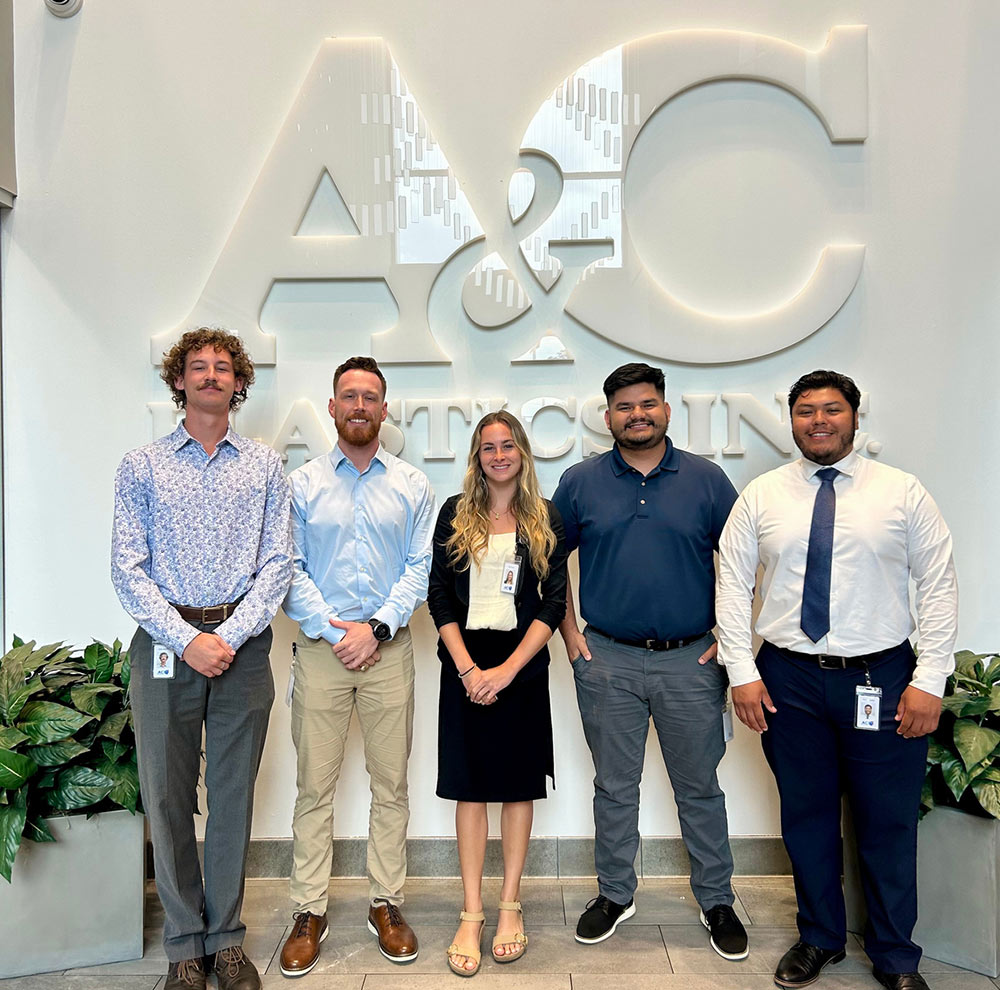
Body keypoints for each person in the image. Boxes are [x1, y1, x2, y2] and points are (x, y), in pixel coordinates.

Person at [716, 369, 958, 990]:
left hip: (883, 675)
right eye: (804, 411)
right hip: (789, 679)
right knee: (807, 816)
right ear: (790, 419)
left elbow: (938, 586)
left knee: (887, 820)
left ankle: (897, 955)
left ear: (855, 416)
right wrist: (741, 671)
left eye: (831, 409)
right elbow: (732, 585)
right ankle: (820, 937)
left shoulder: (902, 492)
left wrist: (930, 678)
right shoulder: (763, 495)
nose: (817, 421)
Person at [112, 328, 292, 990]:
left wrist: (230, 636)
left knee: (233, 794)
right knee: (166, 794)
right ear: (179, 382)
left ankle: (227, 942)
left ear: (239, 383)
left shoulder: (266, 465)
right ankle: (185, 945)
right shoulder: (141, 466)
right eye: (199, 367)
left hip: (241, 649)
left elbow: (278, 563)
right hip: (164, 646)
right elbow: (127, 568)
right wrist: (186, 639)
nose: (211, 375)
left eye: (223, 367)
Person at [551, 362, 748, 960]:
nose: (637, 415)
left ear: (666, 410)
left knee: (700, 789)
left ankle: (716, 899)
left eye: (648, 404)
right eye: (624, 407)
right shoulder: (581, 481)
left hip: (690, 662)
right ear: (608, 416)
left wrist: (730, 639)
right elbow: (549, 563)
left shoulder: (707, 480)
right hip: (606, 658)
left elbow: (744, 565)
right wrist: (569, 635)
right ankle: (615, 893)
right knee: (614, 787)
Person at [278, 356, 436, 977]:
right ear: (333, 407)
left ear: (385, 408)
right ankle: (308, 910)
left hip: (389, 652)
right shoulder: (302, 484)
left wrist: (375, 629)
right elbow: (288, 568)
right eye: (350, 396)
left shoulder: (413, 486)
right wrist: (334, 630)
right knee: (314, 789)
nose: (361, 406)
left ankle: (386, 904)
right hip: (320, 653)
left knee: (390, 785)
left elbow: (418, 569)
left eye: (371, 397)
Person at [427, 410, 568, 977]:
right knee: (470, 789)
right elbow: (439, 597)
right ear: (476, 456)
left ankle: (510, 906)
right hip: (465, 670)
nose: (499, 454)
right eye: (489, 447)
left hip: (521, 672)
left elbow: (554, 604)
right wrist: (468, 670)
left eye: (508, 445)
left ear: (523, 452)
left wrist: (507, 671)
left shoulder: (544, 518)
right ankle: (471, 912)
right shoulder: (454, 515)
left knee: (515, 790)